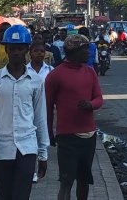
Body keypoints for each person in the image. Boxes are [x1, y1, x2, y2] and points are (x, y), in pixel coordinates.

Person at [0, 25, 49, 199]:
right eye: (13, 48)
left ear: (27, 49)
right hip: (2, 148)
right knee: (4, 195)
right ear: (6, 49)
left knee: (21, 195)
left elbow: (40, 117)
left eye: (20, 48)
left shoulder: (36, 81)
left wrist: (43, 154)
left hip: (27, 148)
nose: (16, 53)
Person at [45, 34, 103, 200]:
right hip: (67, 137)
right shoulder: (55, 75)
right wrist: (49, 133)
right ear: (75, 51)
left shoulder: (90, 72)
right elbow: (48, 108)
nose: (88, 52)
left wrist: (90, 105)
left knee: (84, 181)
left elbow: (99, 98)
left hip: (89, 135)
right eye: (85, 49)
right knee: (66, 181)